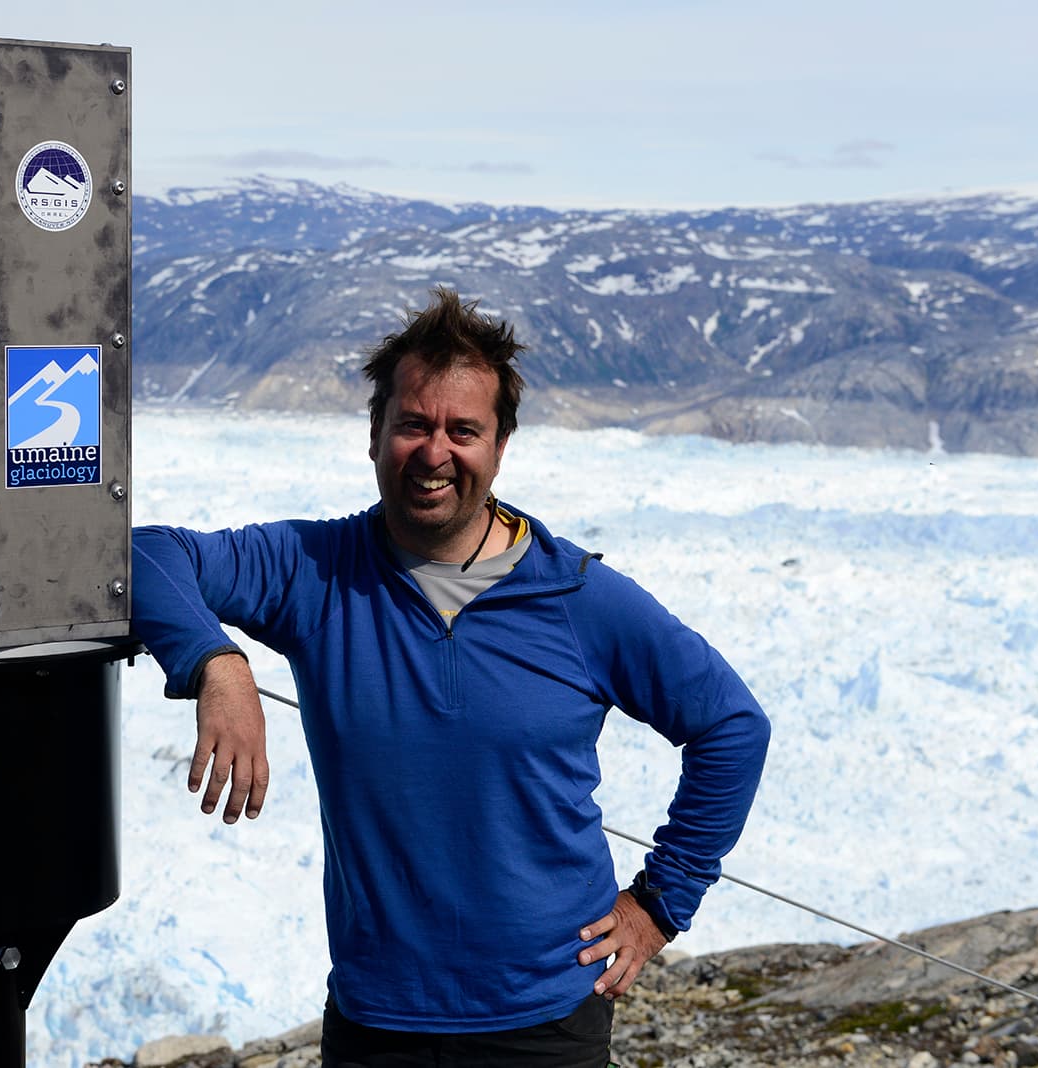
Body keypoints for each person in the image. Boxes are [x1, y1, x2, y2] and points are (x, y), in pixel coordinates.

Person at [130, 287, 770, 1066]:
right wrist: (218, 665)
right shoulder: (318, 572)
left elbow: (732, 727)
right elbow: (147, 552)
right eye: (413, 425)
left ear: (500, 448)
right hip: (378, 1022)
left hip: (546, 1022)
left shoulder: (575, 597)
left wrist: (661, 902)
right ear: (375, 435)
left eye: (463, 430)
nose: (435, 453)